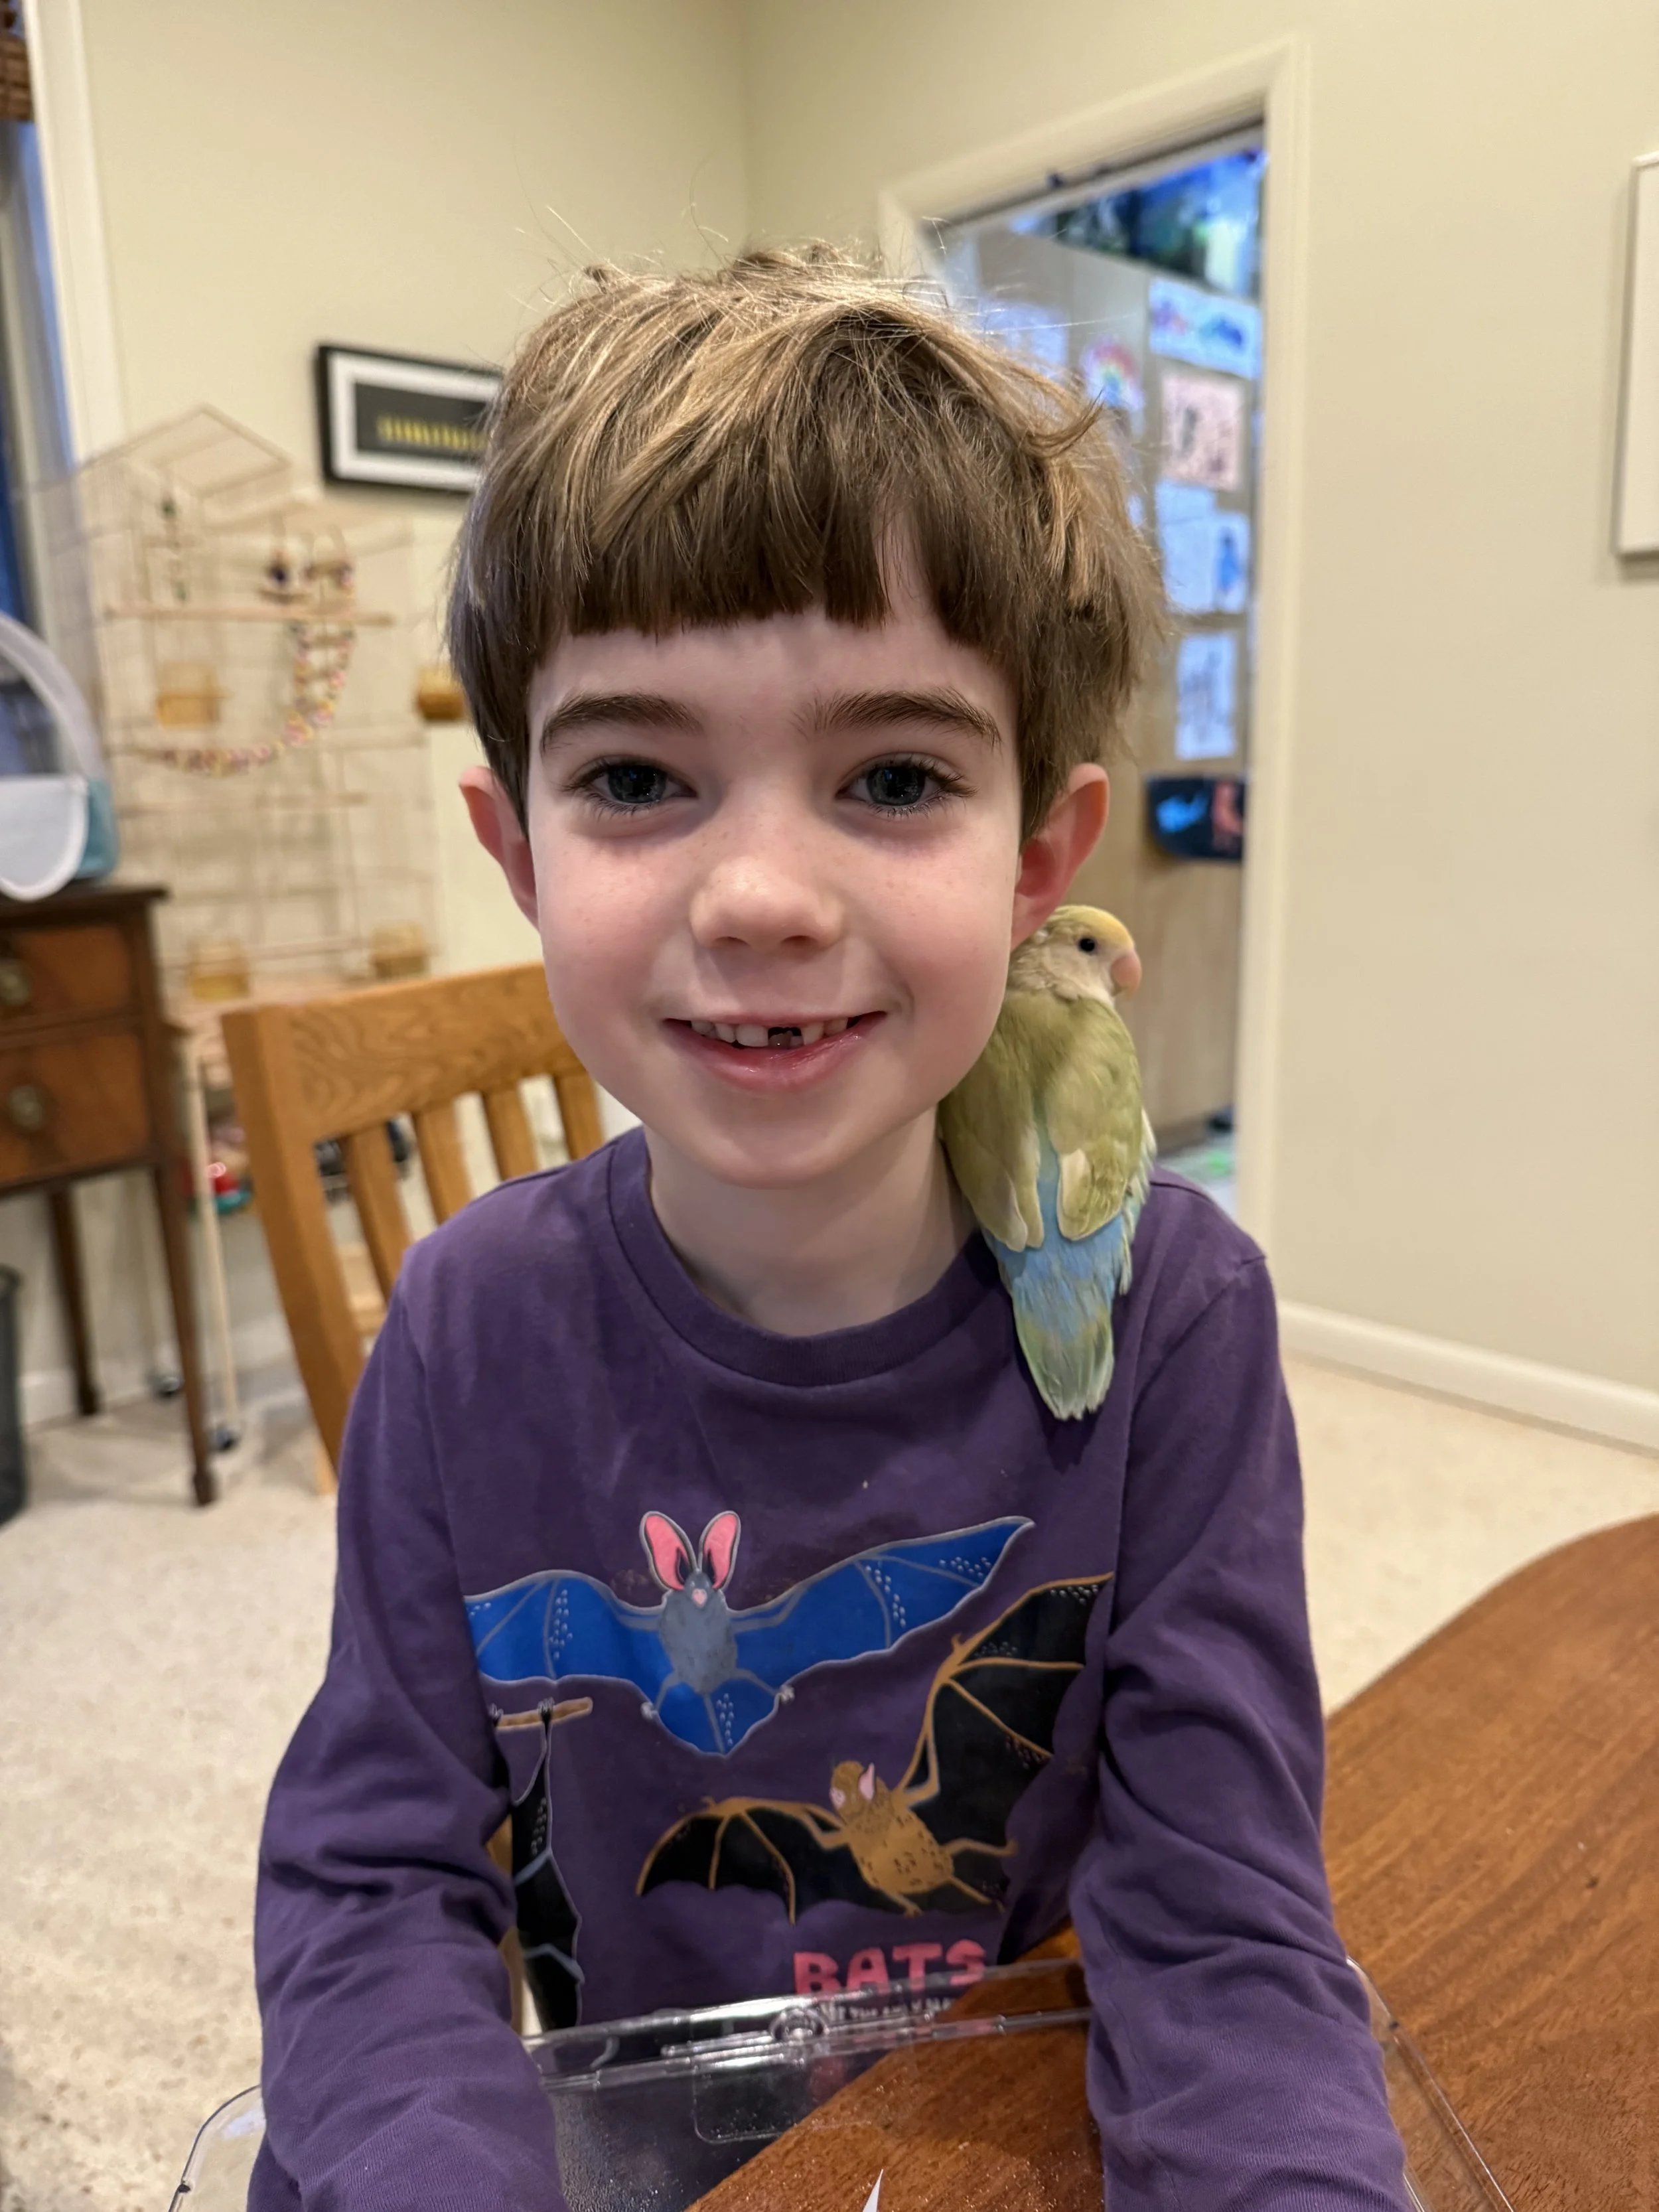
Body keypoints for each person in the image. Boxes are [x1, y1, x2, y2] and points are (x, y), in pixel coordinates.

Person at [252, 246, 1407, 2211]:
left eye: (890, 777)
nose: (763, 897)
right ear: (517, 852)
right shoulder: (465, 1327)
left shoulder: (1176, 1313)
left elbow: (1220, 1915)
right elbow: (371, 1888)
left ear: (1038, 858)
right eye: (638, 776)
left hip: (1004, 2136)